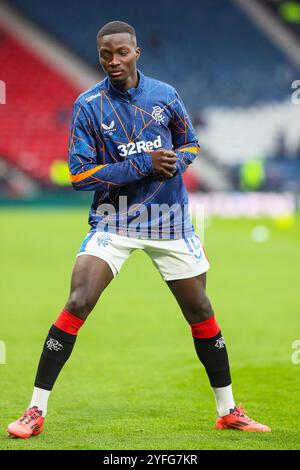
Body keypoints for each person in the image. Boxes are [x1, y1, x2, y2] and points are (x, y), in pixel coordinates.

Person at [7, 21, 271, 439]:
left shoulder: (164, 96)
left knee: (200, 311)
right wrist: (142, 165)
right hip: (115, 220)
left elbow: (190, 143)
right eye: (105, 55)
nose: (113, 61)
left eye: (121, 53)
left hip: (170, 222)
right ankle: (35, 411)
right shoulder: (89, 105)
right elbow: (79, 176)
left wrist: (175, 164)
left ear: (136, 52)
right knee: (78, 300)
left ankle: (228, 410)